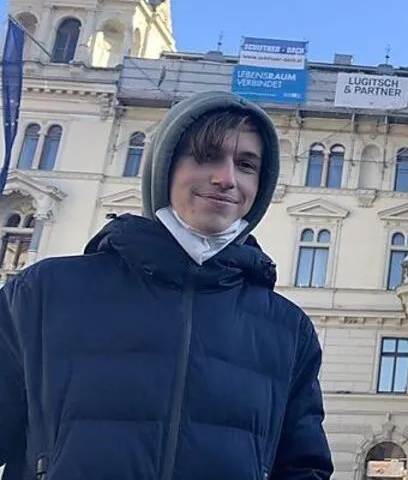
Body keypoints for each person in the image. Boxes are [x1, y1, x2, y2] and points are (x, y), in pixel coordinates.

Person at [0, 91, 333, 479]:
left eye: (245, 165)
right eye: (206, 156)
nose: (225, 178)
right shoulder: (44, 294)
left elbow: (302, 467)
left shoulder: (288, 329)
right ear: (164, 166)